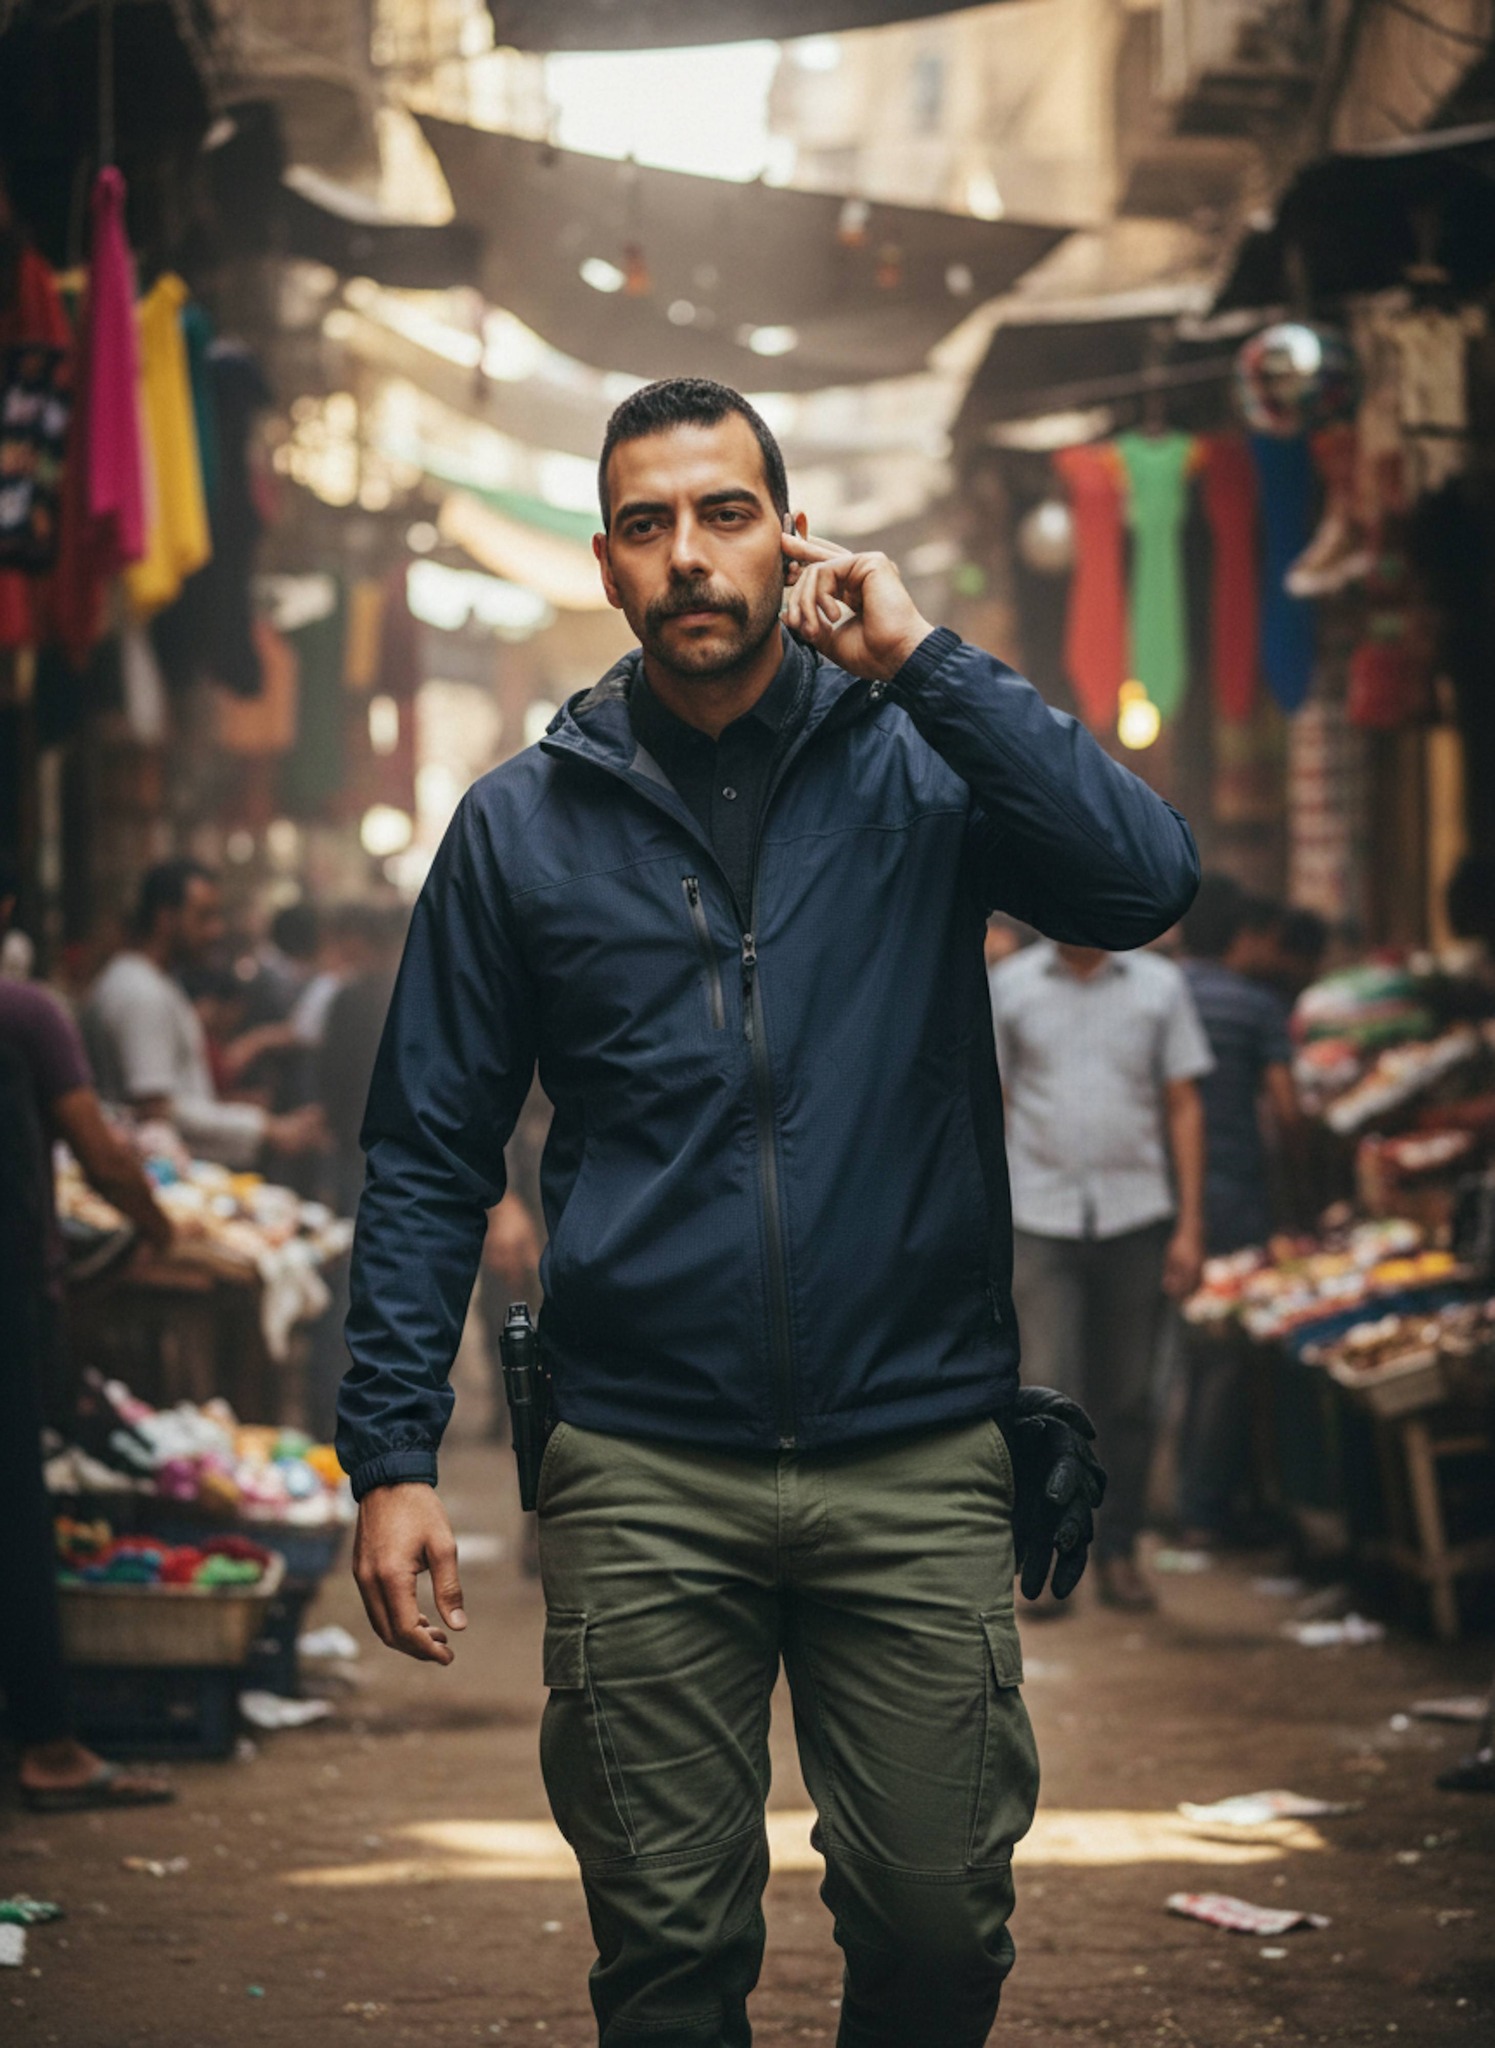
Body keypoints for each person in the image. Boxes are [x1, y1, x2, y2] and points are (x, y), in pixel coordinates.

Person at [339, 377, 1198, 2048]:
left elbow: (1142, 880)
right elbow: (431, 1146)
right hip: (644, 1458)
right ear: (607, 565)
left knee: (942, 1931)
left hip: (917, 1443)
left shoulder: (922, 769)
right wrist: (389, 1455)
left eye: (725, 513)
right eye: (650, 524)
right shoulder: (523, 826)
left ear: (790, 534)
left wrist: (929, 665)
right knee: (665, 1957)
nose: (690, 557)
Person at [0, 864, 175, 1811]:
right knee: (17, 1514)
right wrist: (156, 1227)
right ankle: (48, 1745)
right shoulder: (25, 1013)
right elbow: (102, 1154)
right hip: (12, 1295)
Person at [992, 932, 1212, 1610]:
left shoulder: (1158, 986)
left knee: (1131, 1396)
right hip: (1038, 1214)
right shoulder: (1010, 987)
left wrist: (1190, 1224)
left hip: (1135, 1215)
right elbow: (991, 1101)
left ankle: (1118, 1551)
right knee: (1048, 1392)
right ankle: (1050, 1558)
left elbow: (1182, 1103)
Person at [1174, 875, 1302, 1544]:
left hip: (1154, 1198)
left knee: (1161, 1354)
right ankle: (1201, 1508)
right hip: (1231, 1197)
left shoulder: (1153, 992)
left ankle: (1147, 1504)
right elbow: (1285, 1111)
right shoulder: (1254, 1006)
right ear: (1240, 935)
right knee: (1220, 1354)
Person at [81, 859, 326, 1168]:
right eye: (204, 917)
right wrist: (266, 1128)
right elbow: (154, 1111)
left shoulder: (145, 981)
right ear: (166, 919)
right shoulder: (141, 992)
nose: (216, 930)